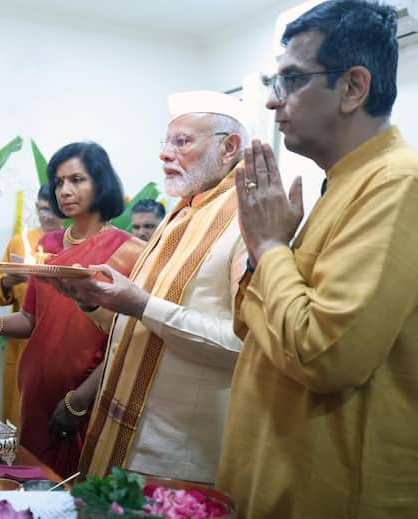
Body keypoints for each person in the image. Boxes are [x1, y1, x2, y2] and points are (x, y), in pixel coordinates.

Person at [216, 2, 418, 517]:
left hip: (330, 490)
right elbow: (259, 327)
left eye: (291, 81)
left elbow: (324, 355)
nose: (270, 101)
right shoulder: (343, 183)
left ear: (353, 87)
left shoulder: (398, 185)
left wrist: (270, 248)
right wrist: (268, 255)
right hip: (278, 470)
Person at [52, 91, 249, 483]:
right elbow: (138, 327)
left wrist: (142, 305)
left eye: (183, 142)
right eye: (167, 142)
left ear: (229, 147)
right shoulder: (180, 214)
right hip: (120, 441)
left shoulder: (247, 221)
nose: (165, 154)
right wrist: (94, 303)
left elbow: (245, 348)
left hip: (177, 459)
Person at [0, 142, 144, 476]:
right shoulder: (47, 246)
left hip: (86, 397)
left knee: (73, 490)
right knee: (32, 486)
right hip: (35, 393)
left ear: (101, 184)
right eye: (58, 182)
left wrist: (79, 401)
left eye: (77, 180)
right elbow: (30, 320)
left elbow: (129, 341)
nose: (64, 190)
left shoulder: (129, 251)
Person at [0, 183, 63, 427]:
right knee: (16, 409)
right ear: (36, 207)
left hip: (57, 342)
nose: (48, 216)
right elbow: (1, 291)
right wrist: (8, 282)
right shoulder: (19, 241)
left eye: (53, 210)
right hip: (21, 339)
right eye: (43, 209)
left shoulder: (72, 242)